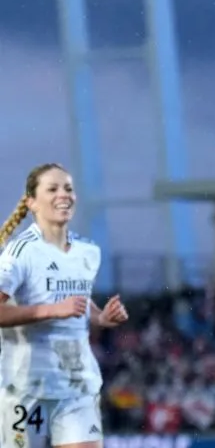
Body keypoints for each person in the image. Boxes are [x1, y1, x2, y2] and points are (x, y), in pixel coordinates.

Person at [0, 163, 129, 448]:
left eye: (68, 188)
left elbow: (78, 300)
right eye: (53, 188)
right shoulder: (19, 252)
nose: (64, 194)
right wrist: (50, 310)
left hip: (77, 384)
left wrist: (101, 317)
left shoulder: (88, 251)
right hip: (26, 387)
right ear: (31, 202)